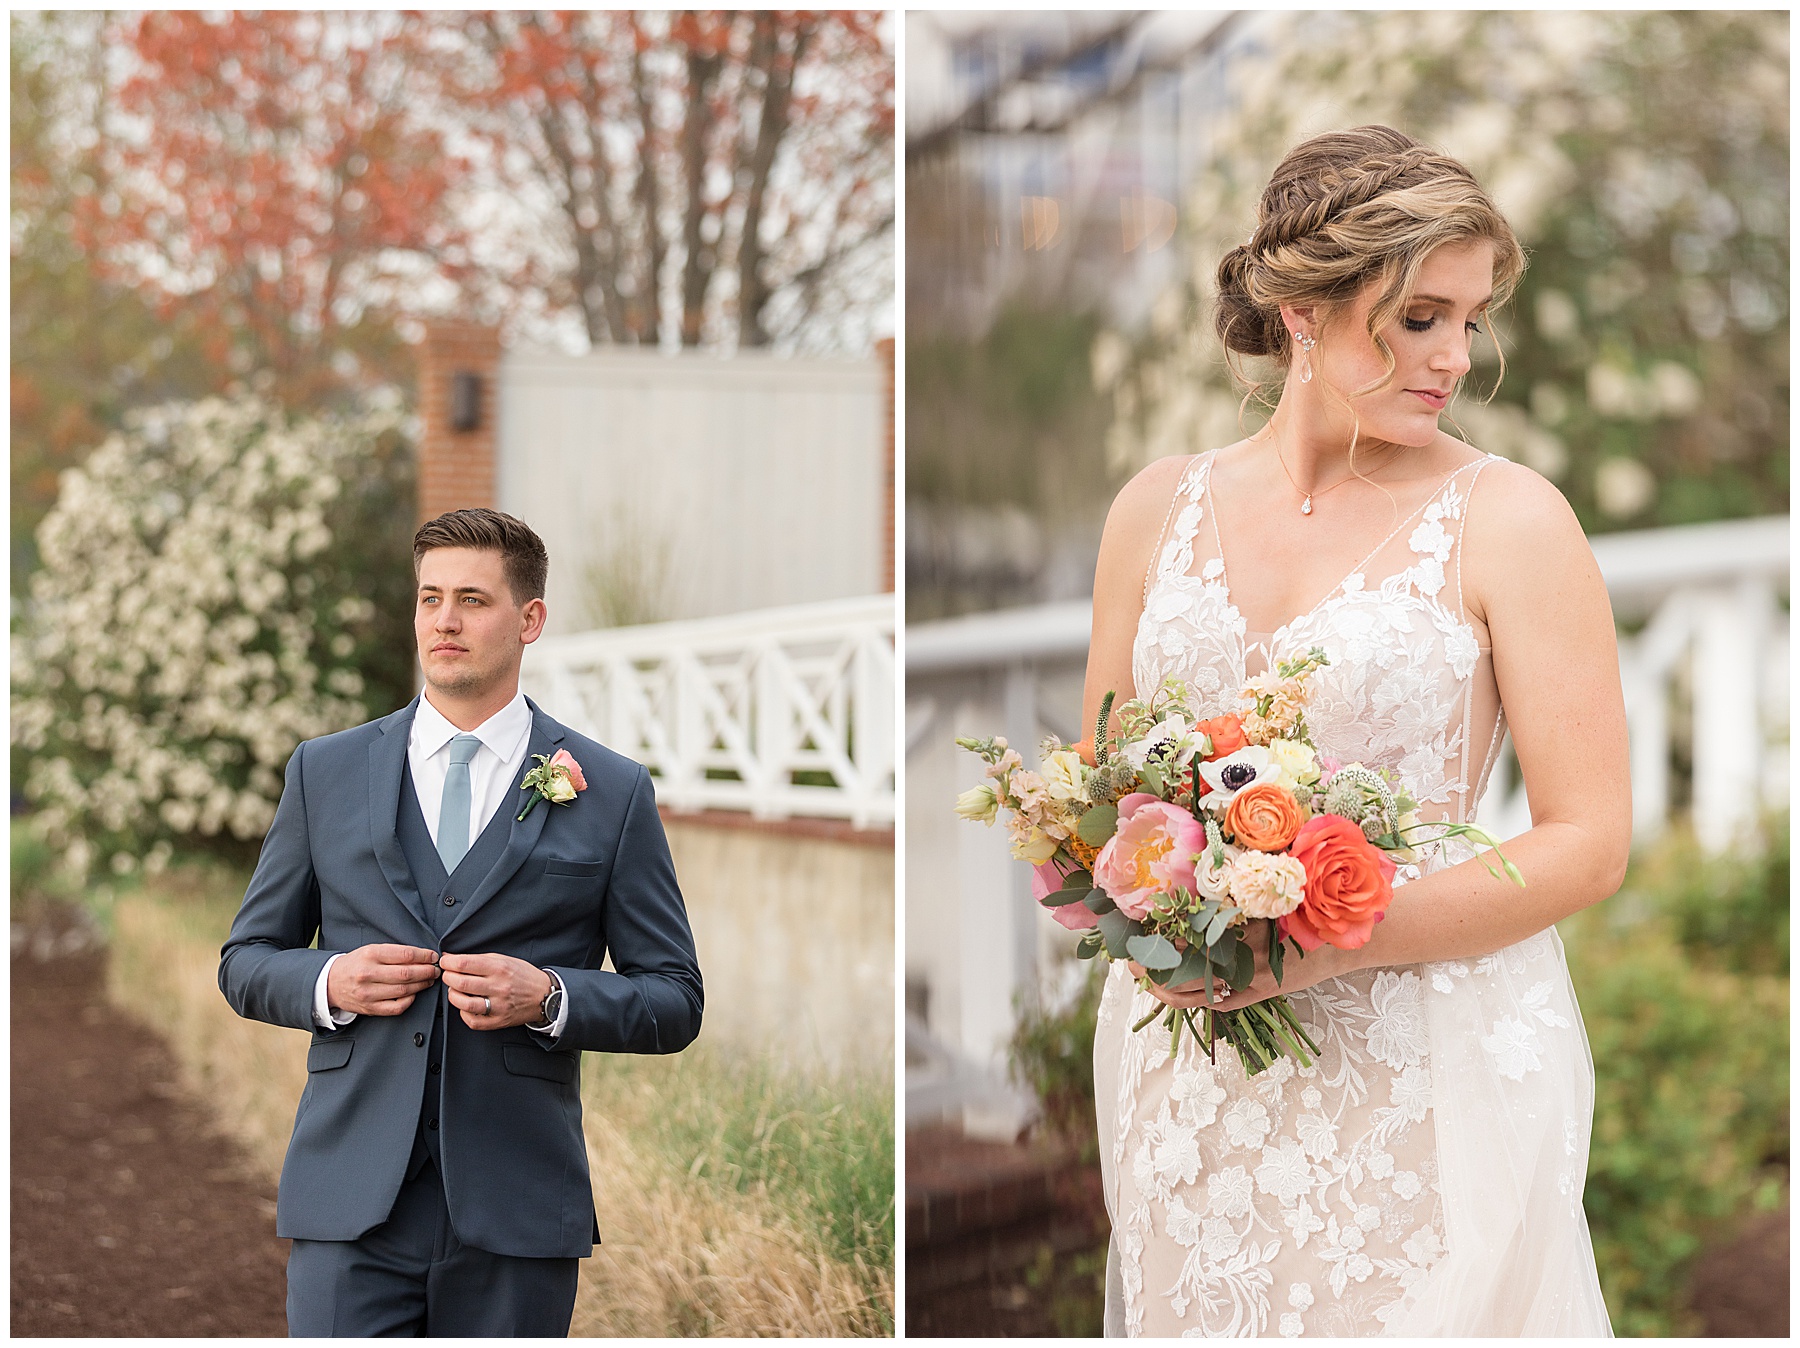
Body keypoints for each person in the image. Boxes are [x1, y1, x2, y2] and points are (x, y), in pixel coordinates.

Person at [1081, 127, 1628, 1336]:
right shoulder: (1153, 511)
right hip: (1190, 1067)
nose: (1456, 357)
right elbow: (1098, 806)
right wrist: (1160, 919)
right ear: (1303, 308)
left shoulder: (1511, 520)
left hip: (1421, 1063)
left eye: (1471, 320)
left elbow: (1588, 839)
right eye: (1421, 316)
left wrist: (1327, 945)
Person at [219, 507, 703, 1336]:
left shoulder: (612, 792)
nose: (445, 620)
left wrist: (550, 997)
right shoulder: (324, 772)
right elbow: (245, 960)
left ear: (530, 619)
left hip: (516, 1213)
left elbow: (675, 999)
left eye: (473, 600)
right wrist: (331, 979)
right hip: (348, 1205)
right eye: (430, 598)